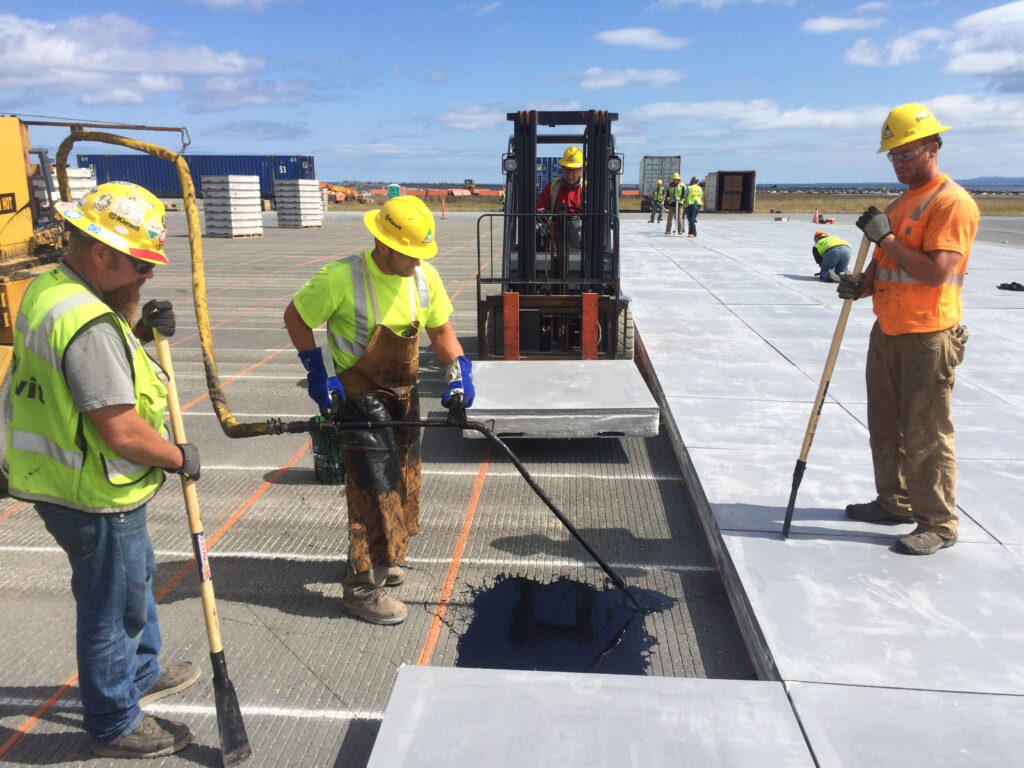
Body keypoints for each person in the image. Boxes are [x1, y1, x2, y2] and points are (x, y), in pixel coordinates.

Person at [4, 182, 202, 757]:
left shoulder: (53, 288)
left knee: (134, 585)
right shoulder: (88, 323)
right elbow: (119, 430)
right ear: (101, 254)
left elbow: (94, 366)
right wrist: (178, 457)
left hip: (69, 479)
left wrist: (139, 333)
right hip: (92, 489)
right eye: (139, 263)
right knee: (111, 610)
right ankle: (115, 718)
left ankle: (140, 673)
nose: (147, 275)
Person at [284, 195, 475, 624]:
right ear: (381, 242)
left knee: (403, 481)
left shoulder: (425, 279)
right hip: (358, 396)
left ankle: (389, 558)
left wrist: (459, 373)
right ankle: (359, 588)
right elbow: (296, 317)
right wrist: (317, 371)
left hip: (403, 394)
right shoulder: (341, 278)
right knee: (372, 489)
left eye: (419, 254)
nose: (414, 261)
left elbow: (441, 332)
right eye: (407, 253)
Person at [838, 103, 978, 556]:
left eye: (907, 153)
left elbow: (936, 272)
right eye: (893, 155)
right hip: (889, 331)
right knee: (884, 423)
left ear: (933, 148)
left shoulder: (950, 202)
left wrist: (887, 238)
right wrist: (859, 285)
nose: (899, 162)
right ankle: (894, 500)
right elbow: (885, 269)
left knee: (927, 431)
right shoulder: (899, 204)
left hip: (928, 335)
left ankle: (938, 522)